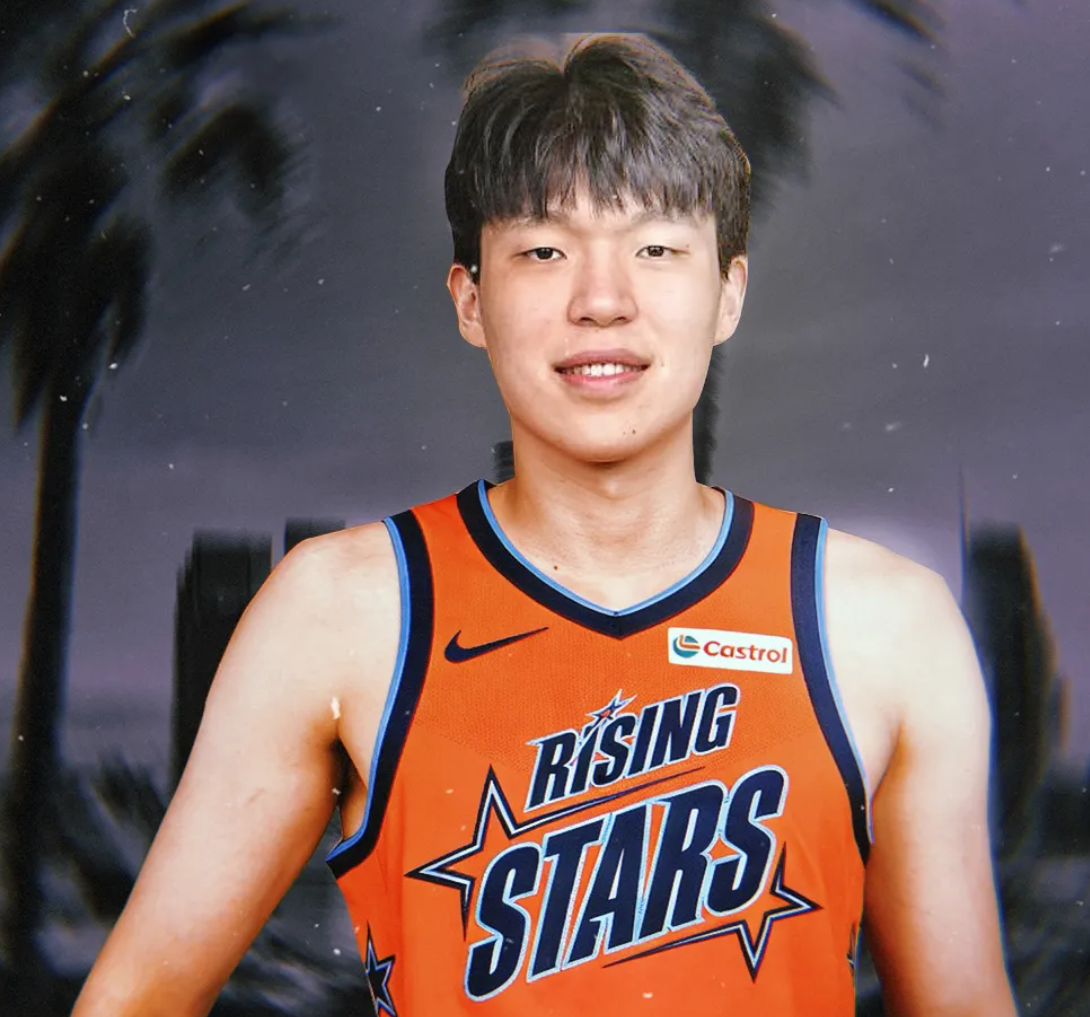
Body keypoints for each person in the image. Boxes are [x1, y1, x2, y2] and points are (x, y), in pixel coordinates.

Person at [73, 33, 1017, 1017]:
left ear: (728, 293)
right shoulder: (340, 612)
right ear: (471, 300)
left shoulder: (884, 626)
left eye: (656, 249)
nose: (601, 301)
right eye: (543, 250)